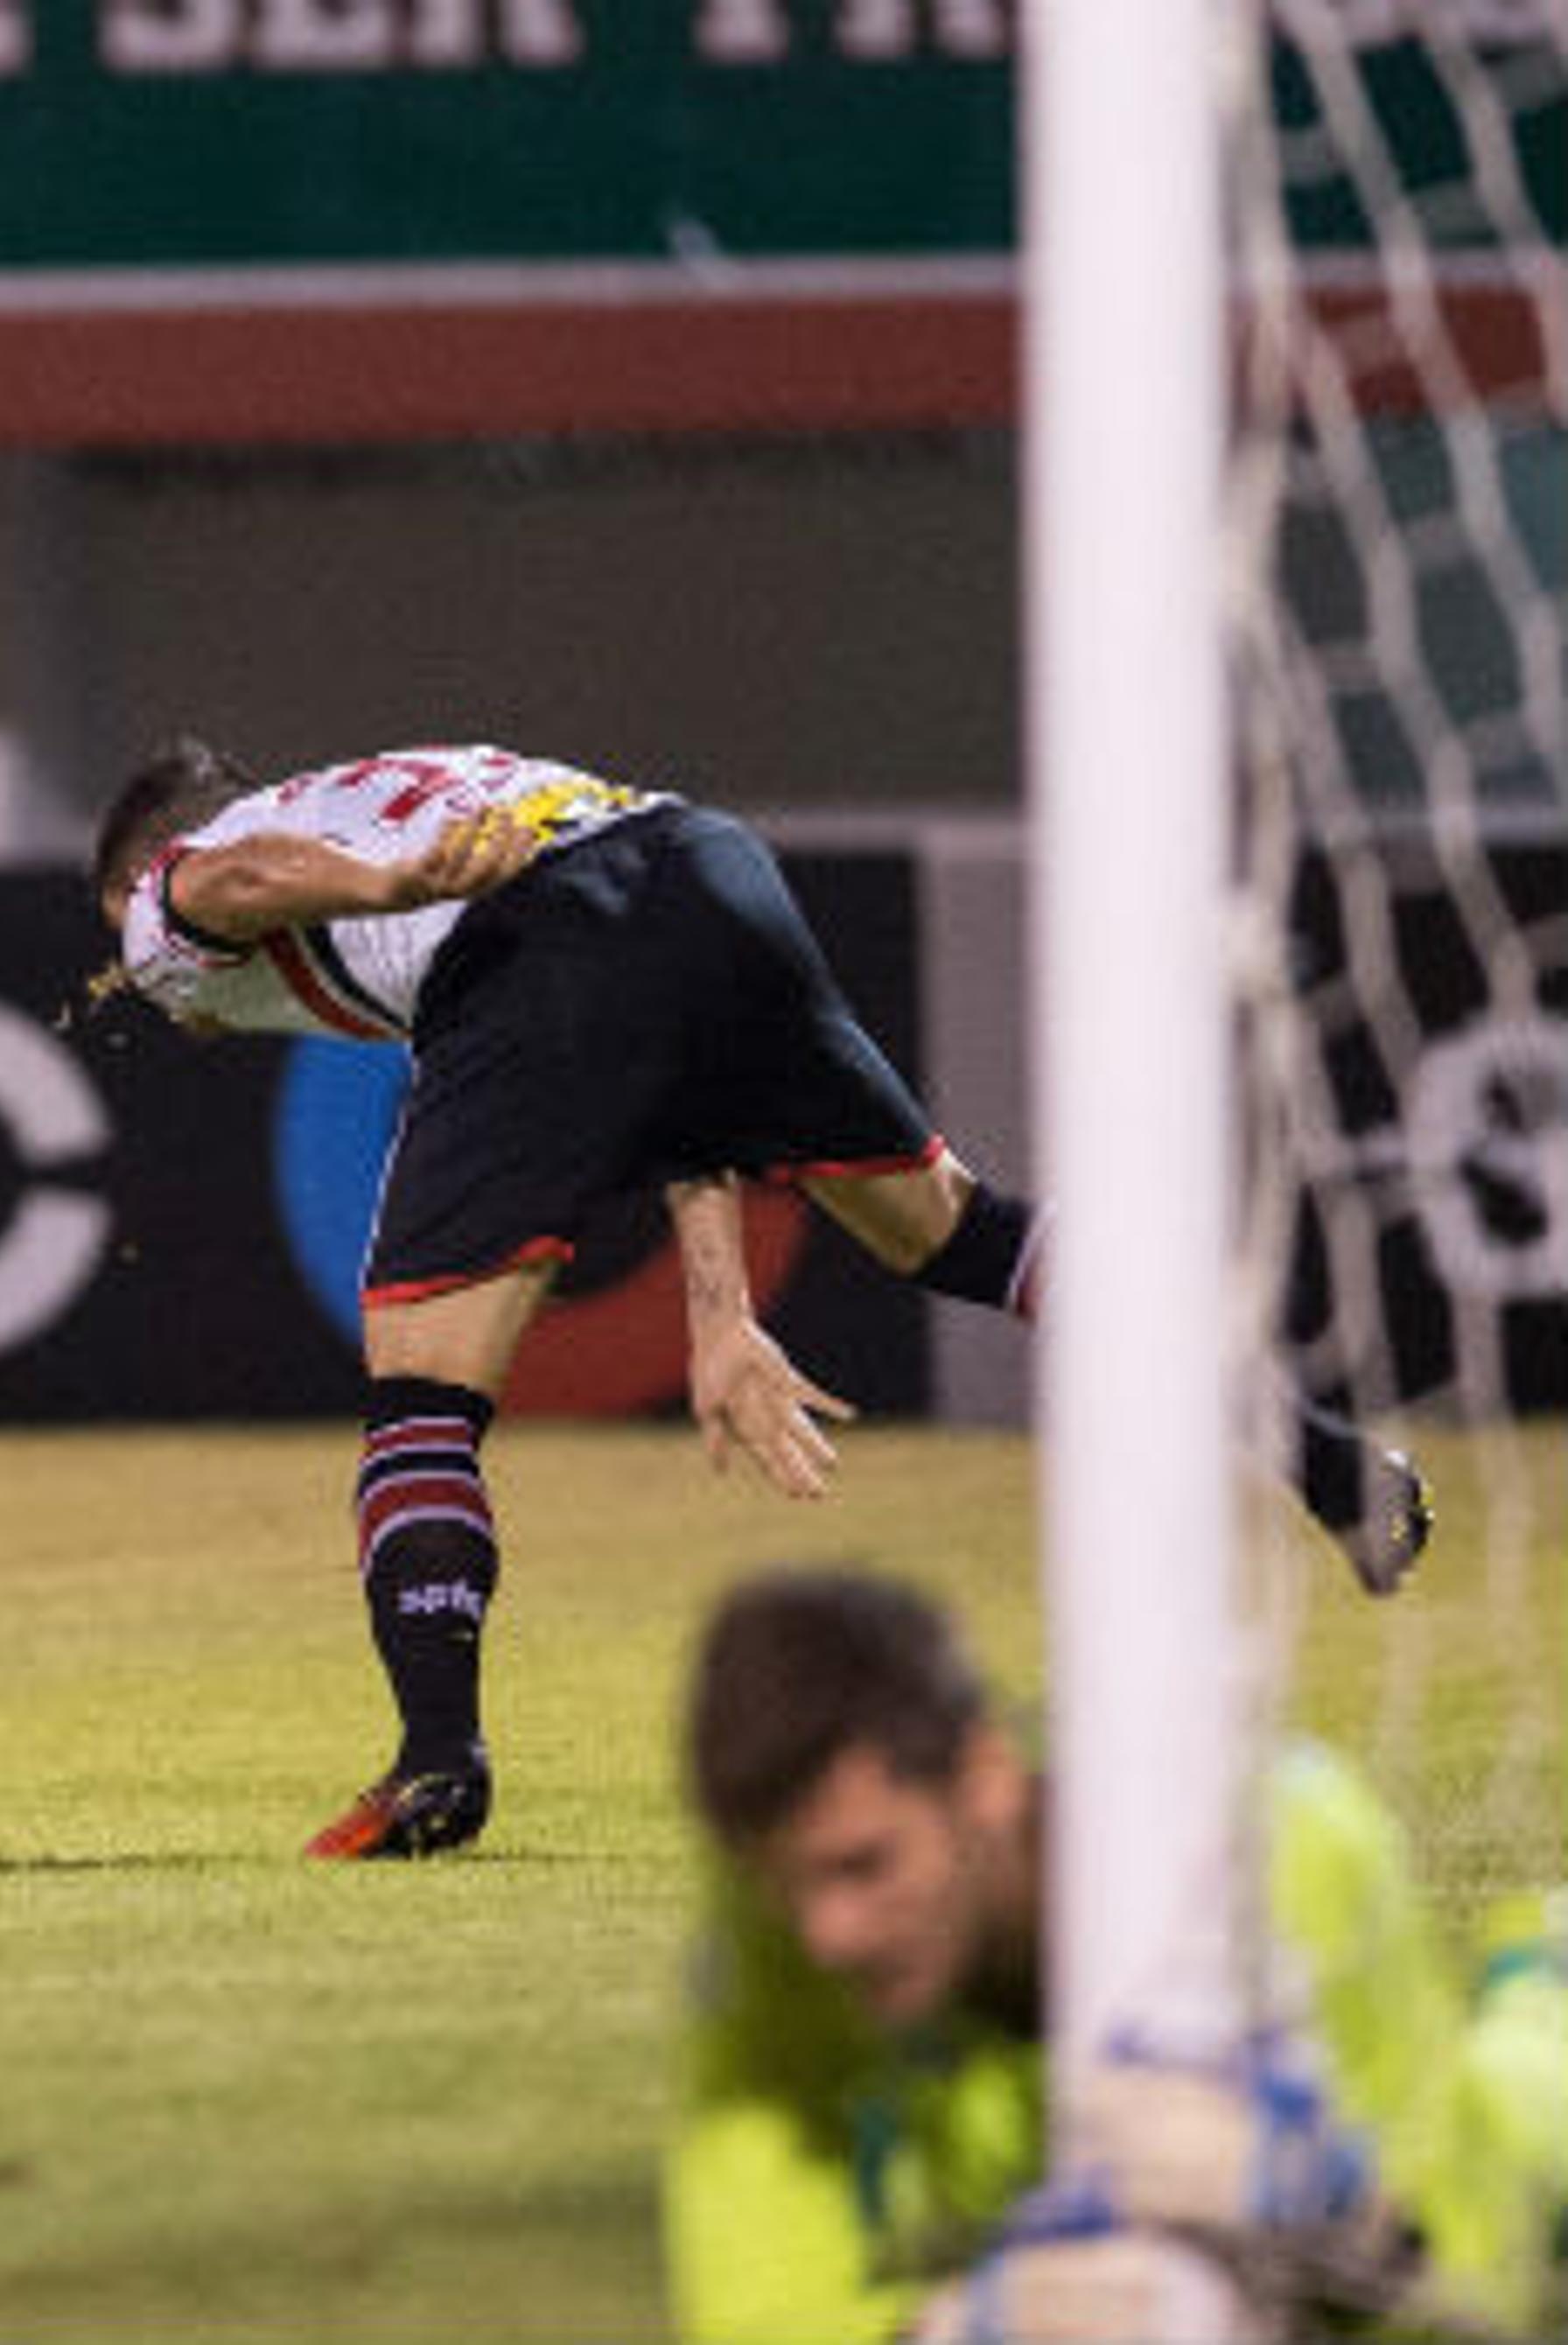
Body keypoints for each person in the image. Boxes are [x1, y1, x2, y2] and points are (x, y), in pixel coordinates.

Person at [88, 737, 1432, 1859]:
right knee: (958, 1236)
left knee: (421, 1391)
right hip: (705, 868)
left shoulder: (187, 894)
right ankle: (1330, 1467)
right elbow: (661, 1051)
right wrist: (718, 1313)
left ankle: (438, 1760)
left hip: (535, 941)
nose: (164, 1004)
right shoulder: (399, 780)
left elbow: (235, 877)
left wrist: (377, 884)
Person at [666, 1566, 1566, 2342]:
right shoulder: (774, 1939)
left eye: (866, 1865)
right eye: (786, 1887)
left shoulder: (1279, 1859)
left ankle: (1542, 1975)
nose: (830, 1934)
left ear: (984, 1778)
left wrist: (1349, 2219)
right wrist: (948, 2330)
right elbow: (750, 2305)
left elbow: (1490, 2280)